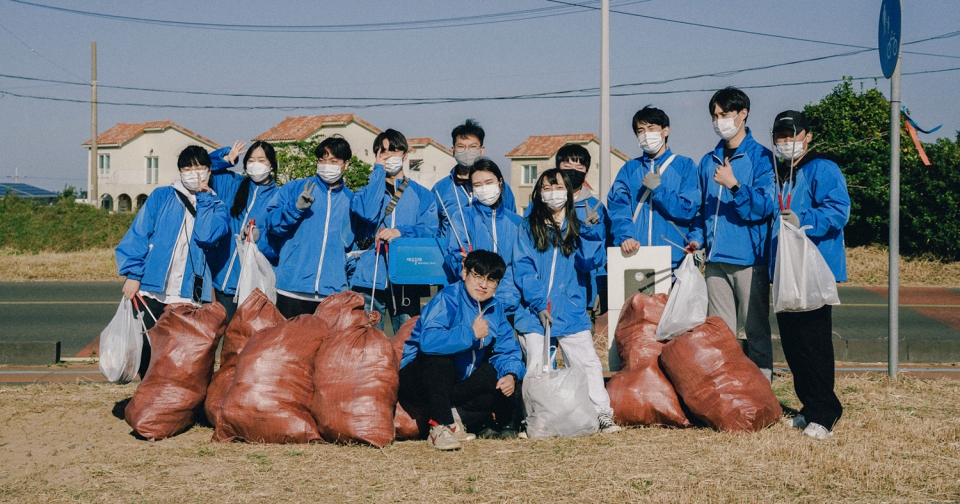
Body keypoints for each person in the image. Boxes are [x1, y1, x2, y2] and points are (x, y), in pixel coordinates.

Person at [513, 168, 621, 434]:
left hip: (571, 308)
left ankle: (601, 414)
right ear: (538, 193)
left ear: (570, 192)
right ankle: (535, 418)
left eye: (558, 187)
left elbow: (589, 262)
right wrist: (538, 304)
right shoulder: (528, 226)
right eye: (547, 188)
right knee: (536, 365)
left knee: (587, 363)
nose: (553, 194)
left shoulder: (577, 223)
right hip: (534, 311)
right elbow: (523, 268)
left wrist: (592, 233)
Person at [116, 145, 230, 377]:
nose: (193, 172)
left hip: (188, 292)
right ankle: (150, 395)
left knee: (181, 349)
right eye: (187, 167)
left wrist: (205, 199)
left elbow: (206, 236)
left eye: (199, 166)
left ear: (209, 171)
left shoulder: (218, 207)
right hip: (152, 288)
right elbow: (139, 234)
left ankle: (174, 401)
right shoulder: (162, 196)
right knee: (147, 344)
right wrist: (133, 275)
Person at [769, 110, 849, 440]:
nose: (786, 142)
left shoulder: (822, 168)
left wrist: (804, 218)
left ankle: (825, 412)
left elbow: (838, 210)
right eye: (780, 136)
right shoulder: (780, 174)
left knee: (814, 343)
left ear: (807, 136)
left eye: (792, 134)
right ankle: (809, 406)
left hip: (813, 267)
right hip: (786, 269)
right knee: (793, 344)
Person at [688, 87, 777, 382]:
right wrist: (696, 239)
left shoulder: (763, 158)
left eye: (724, 114)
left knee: (755, 329)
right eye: (715, 115)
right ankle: (727, 385)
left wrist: (735, 185)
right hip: (715, 260)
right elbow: (701, 210)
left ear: (743, 114)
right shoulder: (707, 160)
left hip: (751, 260)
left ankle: (763, 383)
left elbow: (765, 206)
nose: (719, 120)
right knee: (720, 331)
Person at [399, 250, 526, 450]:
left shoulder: (495, 308)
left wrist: (510, 374)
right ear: (464, 273)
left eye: (491, 280)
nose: (484, 285)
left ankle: (467, 420)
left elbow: (508, 349)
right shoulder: (448, 298)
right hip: (419, 377)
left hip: (456, 380)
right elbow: (429, 342)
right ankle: (440, 427)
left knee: (499, 379)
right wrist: (470, 334)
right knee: (440, 358)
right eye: (478, 276)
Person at [350, 129, 439, 332]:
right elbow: (367, 213)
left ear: (405, 155)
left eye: (394, 150)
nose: (389, 155)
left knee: (407, 339)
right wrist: (378, 172)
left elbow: (430, 231)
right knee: (369, 339)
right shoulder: (365, 192)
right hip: (370, 277)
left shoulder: (422, 195)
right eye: (383, 151)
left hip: (408, 275)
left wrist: (401, 232)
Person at [264, 136, 356, 319]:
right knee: (289, 346)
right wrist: (295, 209)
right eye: (322, 160)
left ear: (345, 164)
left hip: (332, 293)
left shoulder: (352, 200)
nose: (326, 165)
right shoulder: (295, 188)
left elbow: (353, 246)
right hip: (291, 289)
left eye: (333, 161)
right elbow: (271, 224)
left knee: (325, 347)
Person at [608, 106, 700, 271]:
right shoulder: (629, 169)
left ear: (665, 131)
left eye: (651, 128)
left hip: (674, 259)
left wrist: (658, 190)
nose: (646, 135)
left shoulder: (684, 166)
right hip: (635, 256)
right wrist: (625, 236)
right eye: (640, 130)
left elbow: (688, 209)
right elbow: (618, 208)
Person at [206, 140, 279, 322]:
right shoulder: (232, 184)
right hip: (223, 280)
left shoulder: (279, 196)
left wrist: (258, 237)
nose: (256, 165)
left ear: (272, 165)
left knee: (247, 343)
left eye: (262, 160)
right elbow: (204, 168)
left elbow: (280, 242)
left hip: (255, 285)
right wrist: (225, 159)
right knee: (221, 339)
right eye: (251, 160)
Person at [443, 158, 522, 316]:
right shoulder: (461, 217)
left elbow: (520, 266)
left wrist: (506, 299)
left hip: (507, 306)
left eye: (489, 182)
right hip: (469, 303)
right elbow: (454, 255)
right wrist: (463, 268)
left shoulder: (517, 222)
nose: (484, 188)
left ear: (500, 182)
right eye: (477, 185)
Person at [433, 119, 516, 264]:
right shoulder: (440, 190)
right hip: (456, 267)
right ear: (452, 150)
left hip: (496, 267)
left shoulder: (500, 188)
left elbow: (511, 222)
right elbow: (435, 230)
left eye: (472, 147)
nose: (467, 152)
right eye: (461, 147)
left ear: (481, 150)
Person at [554, 144, 610, 318]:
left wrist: (601, 288)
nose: (573, 171)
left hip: (585, 291)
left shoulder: (596, 208)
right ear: (557, 169)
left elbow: (604, 250)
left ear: (586, 172)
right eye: (567, 167)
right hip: (550, 290)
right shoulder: (541, 203)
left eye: (579, 167)